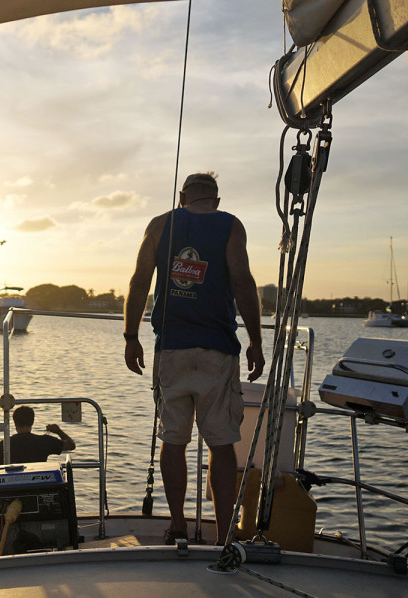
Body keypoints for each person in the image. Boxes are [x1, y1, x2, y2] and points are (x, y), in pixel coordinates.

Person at [123, 171, 264, 545]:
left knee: (173, 441)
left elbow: (139, 282)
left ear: (183, 196)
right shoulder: (231, 226)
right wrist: (256, 341)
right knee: (221, 445)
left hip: (171, 349)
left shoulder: (158, 225)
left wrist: (130, 336)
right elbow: (243, 283)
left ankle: (178, 527)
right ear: (216, 200)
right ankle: (223, 538)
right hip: (218, 351)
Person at [0, 406, 76, 465]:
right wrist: (58, 431)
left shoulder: (4, 445)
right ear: (32, 422)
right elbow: (71, 445)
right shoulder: (45, 441)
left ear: (15, 422)